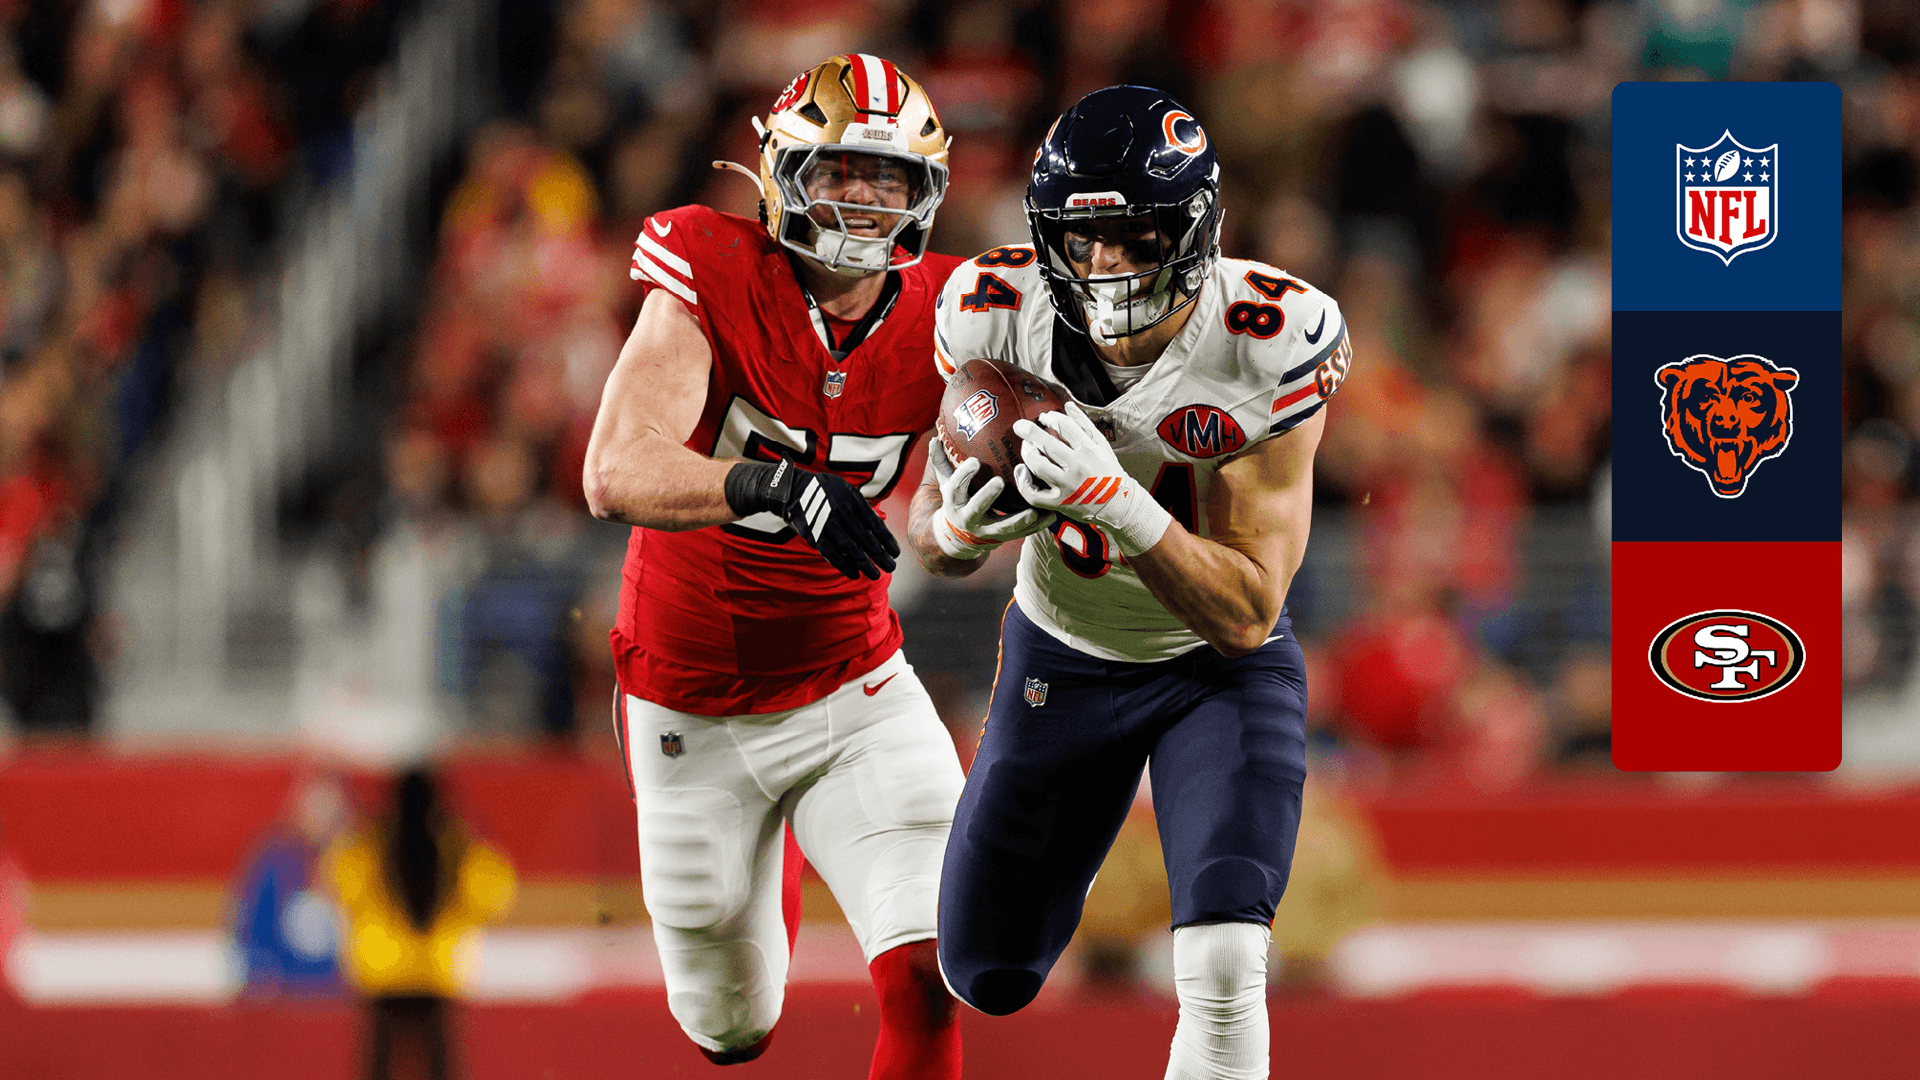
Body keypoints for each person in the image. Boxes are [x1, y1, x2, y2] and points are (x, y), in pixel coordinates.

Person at [907, 85, 1352, 1080]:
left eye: (1137, 236)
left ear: (1195, 230)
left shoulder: (1268, 336)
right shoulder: (991, 314)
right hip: (1061, 655)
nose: (1106, 263)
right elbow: (930, 537)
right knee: (983, 969)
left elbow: (1248, 613)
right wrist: (955, 529)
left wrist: (1118, 501)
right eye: (1084, 238)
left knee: (1225, 958)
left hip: (1212, 671)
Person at [581, 54, 967, 1078]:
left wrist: (975, 513)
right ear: (782, 172)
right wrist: (769, 485)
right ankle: (777, 841)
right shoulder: (712, 267)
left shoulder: (954, 309)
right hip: (691, 700)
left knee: (933, 968)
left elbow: (946, 519)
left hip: (855, 685)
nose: (864, 198)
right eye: (840, 170)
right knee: (730, 1029)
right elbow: (614, 468)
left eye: (888, 177)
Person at [327, 768, 516, 1080]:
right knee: (441, 1064)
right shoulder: (455, 844)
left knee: (379, 1063)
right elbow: (496, 894)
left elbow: (340, 881)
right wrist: (475, 836)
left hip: (382, 972)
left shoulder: (372, 842)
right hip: (438, 973)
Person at [232, 770, 351, 998]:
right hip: (287, 997)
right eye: (317, 806)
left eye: (333, 808)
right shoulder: (275, 863)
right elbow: (251, 937)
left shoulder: (361, 863)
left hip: (344, 999)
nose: (324, 817)